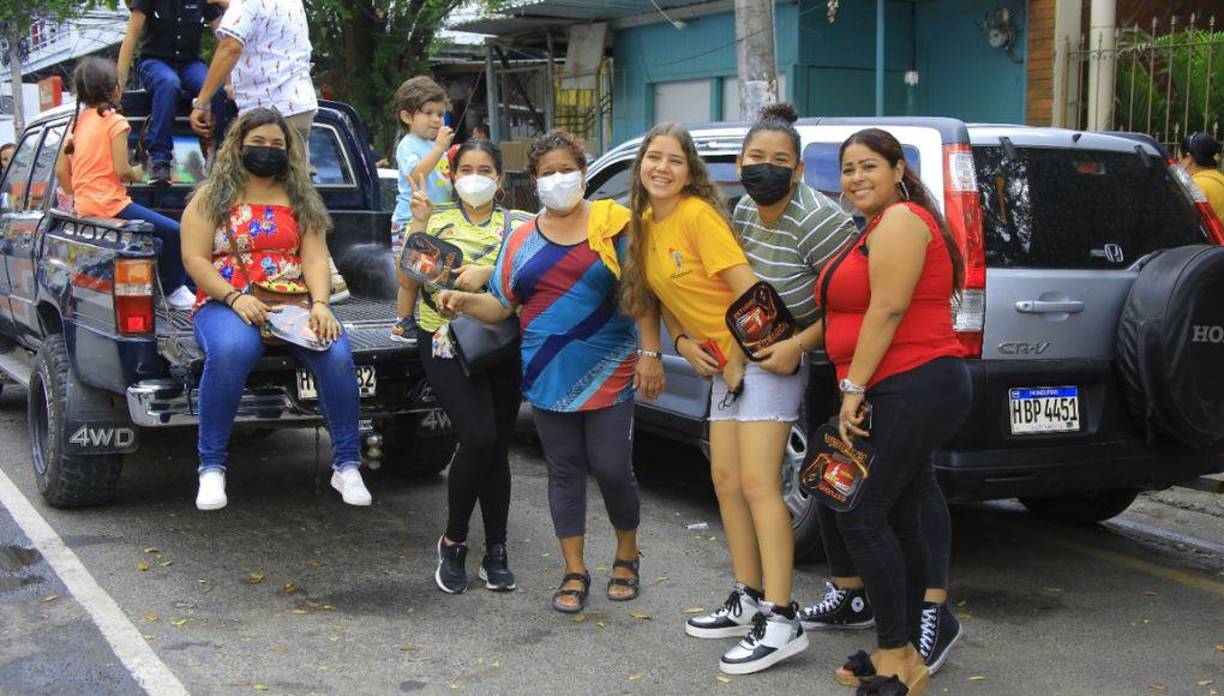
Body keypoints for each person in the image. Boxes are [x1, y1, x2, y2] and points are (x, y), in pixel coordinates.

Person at [437, 130, 664, 611]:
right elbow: (501, 305)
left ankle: (627, 553)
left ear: (584, 172)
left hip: (610, 366)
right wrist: (464, 302)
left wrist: (650, 354)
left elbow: (642, 292)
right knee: (563, 473)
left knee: (611, 468)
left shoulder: (615, 224)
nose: (558, 180)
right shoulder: (520, 239)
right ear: (533, 182)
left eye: (567, 170)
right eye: (547, 173)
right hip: (546, 372)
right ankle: (574, 570)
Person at [617, 122, 805, 675]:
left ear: (689, 170)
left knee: (757, 483)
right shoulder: (647, 223)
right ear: (642, 165)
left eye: (675, 160)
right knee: (724, 479)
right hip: (723, 366)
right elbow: (664, 298)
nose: (663, 168)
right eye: (655, 158)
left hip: (763, 355)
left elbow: (750, 290)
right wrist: (678, 342)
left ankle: (781, 616)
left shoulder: (699, 215)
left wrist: (747, 352)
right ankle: (748, 595)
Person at [815, 128, 972, 695]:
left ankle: (894, 653)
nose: (856, 178)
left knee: (861, 512)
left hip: (914, 382)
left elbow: (889, 307)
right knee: (895, 515)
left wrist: (853, 387)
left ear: (899, 169)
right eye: (848, 169)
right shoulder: (878, 226)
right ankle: (903, 650)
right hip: (896, 386)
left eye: (868, 166)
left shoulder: (903, 220)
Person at [179, 107, 372, 511]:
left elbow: (316, 258)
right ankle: (211, 466)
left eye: (276, 145)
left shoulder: (302, 198)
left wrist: (321, 305)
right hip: (225, 300)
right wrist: (234, 297)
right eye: (258, 143)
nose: (267, 151)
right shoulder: (210, 197)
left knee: (336, 355)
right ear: (238, 146)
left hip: (292, 301)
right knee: (232, 351)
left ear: (289, 150)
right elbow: (195, 260)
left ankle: (347, 464)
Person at [393, 139, 530, 593]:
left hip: (501, 343)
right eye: (465, 168)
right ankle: (453, 542)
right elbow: (409, 275)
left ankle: (497, 551)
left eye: (485, 169)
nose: (475, 176)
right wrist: (416, 223)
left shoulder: (520, 226)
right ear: (452, 176)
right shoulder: (436, 219)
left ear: (499, 179)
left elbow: (530, 274)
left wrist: (485, 274)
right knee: (478, 436)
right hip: (445, 341)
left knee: (496, 448)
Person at [188, 0, 349, 304]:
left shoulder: (245, 4)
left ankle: (330, 280)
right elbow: (270, 50)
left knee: (295, 196)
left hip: (274, 112)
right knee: (296, 191)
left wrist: (202, 100)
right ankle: (323, 278)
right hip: (296, 102)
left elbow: (230, 48)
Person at [54, 57, 194, 310]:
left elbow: (62, 172)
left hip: (87, 208)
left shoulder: (76, 123)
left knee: (157, 244)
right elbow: (122, 170)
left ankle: (158, 290)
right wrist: (139, 173)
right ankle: (173, 290)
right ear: (115, 89)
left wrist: (81, 195)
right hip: (111, 204)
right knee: (177, 232)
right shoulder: (115, 122)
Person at [115, 0, 227, 185]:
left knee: (216, 88)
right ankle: (159, 160)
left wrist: (230, 82)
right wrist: (119, 82)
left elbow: (225, 39)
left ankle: (217, 154)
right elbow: (131, 37)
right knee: (168, 84)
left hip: (190, 64)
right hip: (154, 62)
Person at [387, 76, 455, 344]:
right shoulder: (409, 145)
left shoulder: (433, 147)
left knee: (435, 274)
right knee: (410, 276)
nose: (437, 120)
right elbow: (416, 175)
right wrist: (439, 148)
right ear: (406, 116)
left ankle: (433, 319)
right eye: (428, 113)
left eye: (441, 114)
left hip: (438, 221)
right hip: (410, 221)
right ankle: (402, 323)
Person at [1181, 132, 1224, 218]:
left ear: (1189, 159)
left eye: (1180, 158)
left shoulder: (1194, 187)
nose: (1179, 163)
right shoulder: (1220, 179)